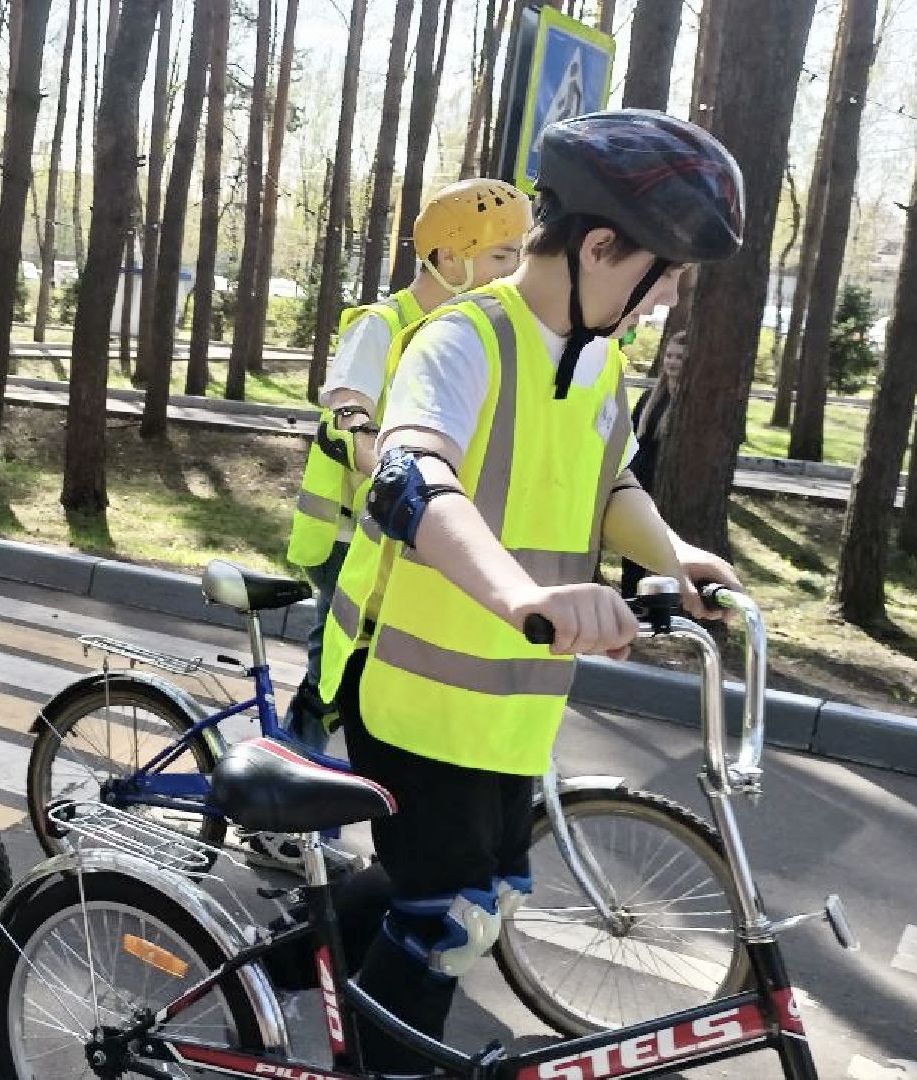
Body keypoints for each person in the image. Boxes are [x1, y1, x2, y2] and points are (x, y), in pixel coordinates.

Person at [314, 110, 748, 1065]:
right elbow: (406, 477)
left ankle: (292, 956)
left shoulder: (598, 359)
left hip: (517, 695)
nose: (670, 298)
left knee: (479, 886)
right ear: (599, 246)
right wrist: (522, 597)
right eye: (665, 272)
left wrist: (673, 555)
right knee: (449, 919)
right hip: (416, 693)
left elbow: (610, 484)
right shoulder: (462, 339)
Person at [281, 179, 532, 754]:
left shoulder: (473, 333)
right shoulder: (383, 325)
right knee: (335, 677)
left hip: (409, 536)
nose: (513, 270)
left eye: (518, 255)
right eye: (500, 255)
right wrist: (386, 453)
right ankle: (284, 803)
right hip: (351, 540)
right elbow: (348, 408)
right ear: (448, 256)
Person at [621, 329, 685, 596]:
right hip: (641, 483)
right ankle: (630, 599)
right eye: (669, 355)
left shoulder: (688, 403)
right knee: (634, 550)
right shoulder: (652, 398)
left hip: (669, 488)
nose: (671, 362)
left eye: (680, 358)